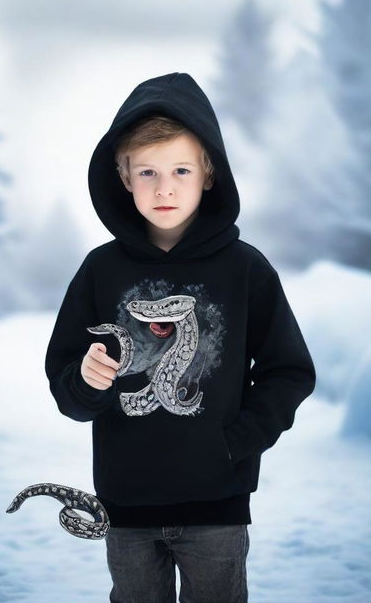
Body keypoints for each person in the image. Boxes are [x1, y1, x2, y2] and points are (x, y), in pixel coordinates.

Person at [44, 72, 316, 603]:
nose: (163, 187)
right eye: (146, 171)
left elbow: (289, 371)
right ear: (123, 176)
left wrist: (238, 441)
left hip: (217, 508)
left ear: (208, 174)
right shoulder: (99, 271)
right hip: (126, 507)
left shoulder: (246, 270)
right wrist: (85, 380)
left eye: (180, 170)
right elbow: (66, 388)